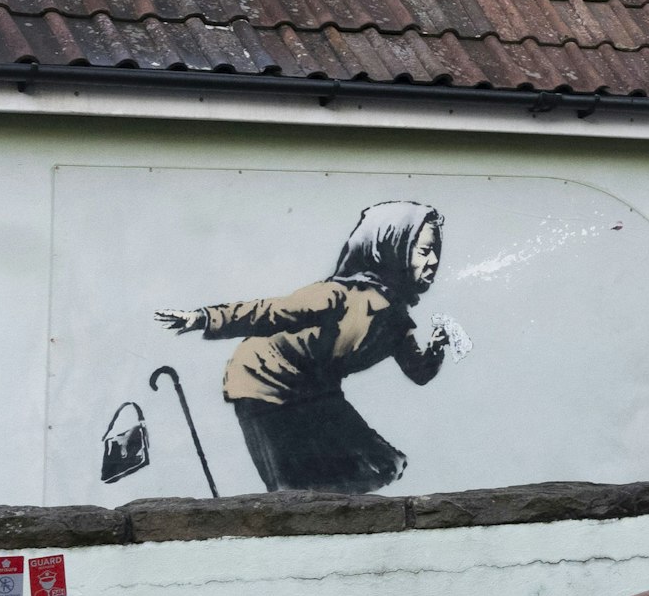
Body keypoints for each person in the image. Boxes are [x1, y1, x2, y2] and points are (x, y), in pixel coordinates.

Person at [155, 201, 459, 493]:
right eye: (424, 251)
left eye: (436, 252)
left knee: (380, 464)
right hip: (265, 382)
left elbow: (418, 372)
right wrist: (203, 318)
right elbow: (268, 311)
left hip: (317, 390)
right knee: (292, 488)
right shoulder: (336, 296)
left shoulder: (396, 320)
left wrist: (437, 347)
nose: (433, 261)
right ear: (392, 248)